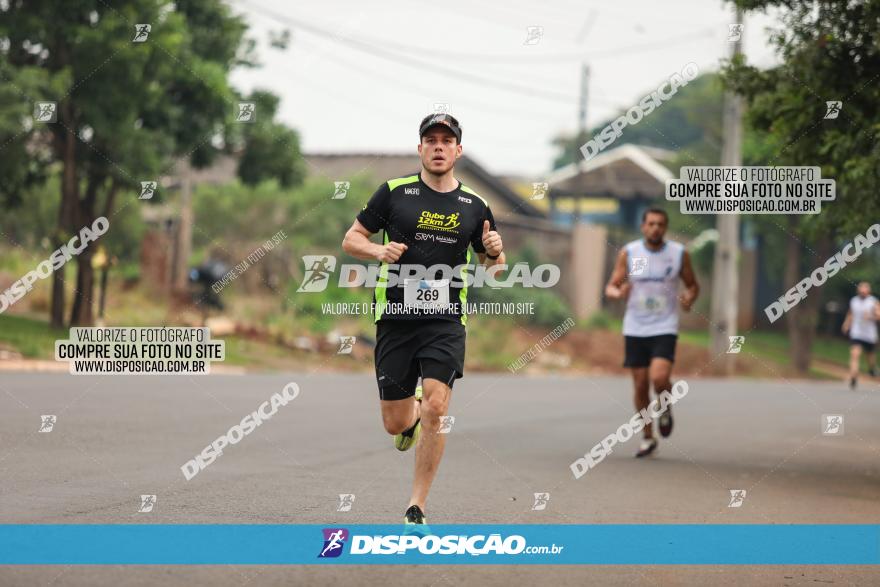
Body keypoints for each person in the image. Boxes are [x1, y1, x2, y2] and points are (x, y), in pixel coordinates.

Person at [341, 113, 505, 525]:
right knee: (394, 422)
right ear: (420, 148)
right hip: (395, 317)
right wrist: (378, 252)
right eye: (430, 140)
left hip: (445, 322)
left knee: (438, 403)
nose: (438, 146)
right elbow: (351, 239)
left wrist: (494, 250)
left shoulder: (475, 205)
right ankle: (409, 415)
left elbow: (495, 268)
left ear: (458, 151)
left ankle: (417, 504)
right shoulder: (393, 193)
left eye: (446, 141)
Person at [604, 208, 699, 458]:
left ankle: (665, 406)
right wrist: (618, 293)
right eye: (651, 224)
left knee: (659, 378)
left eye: (660, 224)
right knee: (640, 385)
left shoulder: (678, 254)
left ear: (665, 228)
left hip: (664, 326)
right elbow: (611, 287)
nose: (655, 228)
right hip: (635, 327)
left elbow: (692, 286)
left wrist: (688, 299)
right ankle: (647, 436)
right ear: (643, 227)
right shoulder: (631, 253)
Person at [841, 281, 879, 389]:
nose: (863, 291)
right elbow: (851, 313)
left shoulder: (873, 302)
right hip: (857, 333)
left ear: (868, 291)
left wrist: (871, 317)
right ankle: (853, 376)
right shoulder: (853, 301)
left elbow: (879, 315)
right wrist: (846, 324)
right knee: (855, 354)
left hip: (869, 335)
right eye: (861, 289)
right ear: (858, 290)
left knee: (870, 357)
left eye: (865, 289)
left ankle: (872, 369)